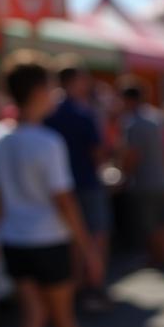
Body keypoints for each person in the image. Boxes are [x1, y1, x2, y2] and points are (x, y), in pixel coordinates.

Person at [0, 55, 98, 327]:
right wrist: (88, 248)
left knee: (31, 317)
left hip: (14, 240)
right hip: (48, 240)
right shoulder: (48, 142)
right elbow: (64, 201)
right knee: (62, 315)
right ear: (37, 91)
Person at [45, 60, 109, 303]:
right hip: (86, 183)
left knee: (73, 238)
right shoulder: (83, 112)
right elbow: (97, 151)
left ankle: (77, 287)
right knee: (96, 234)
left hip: (60, 187)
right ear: (75, 81)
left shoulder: (50, 113)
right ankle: (94, 285)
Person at [119, 79, 164, 269]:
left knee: (149, 222)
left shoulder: (134, 123)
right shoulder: (157, 117)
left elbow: (133, 154)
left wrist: (124, 175)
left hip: (145, 180)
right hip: (162, 177)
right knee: (162, 220)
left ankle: (157, 257)